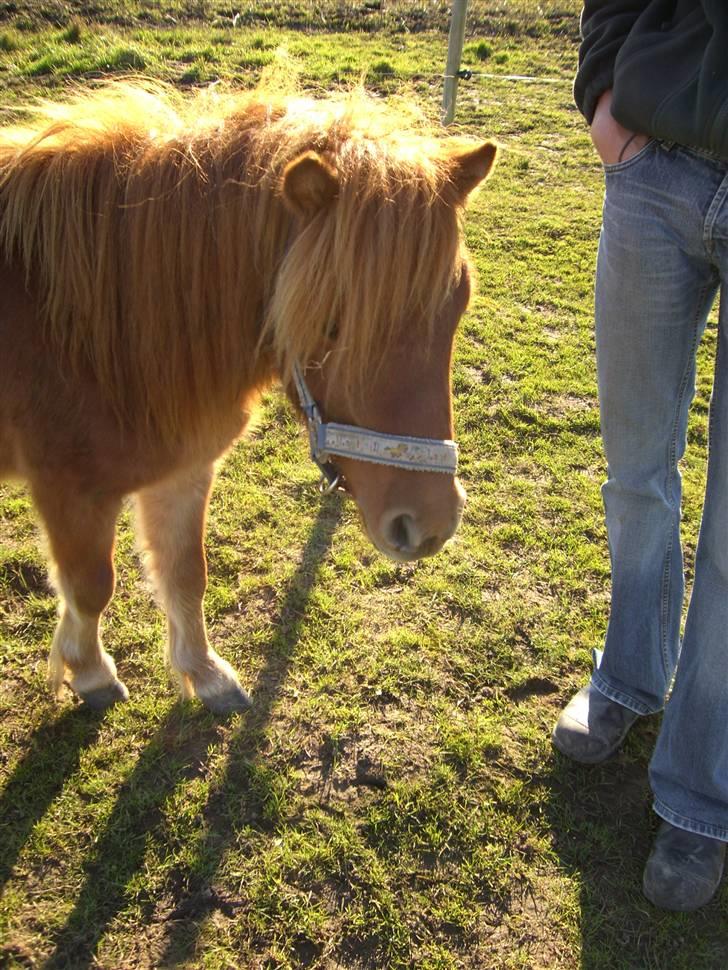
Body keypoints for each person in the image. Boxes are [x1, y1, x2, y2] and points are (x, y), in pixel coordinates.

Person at [552, 0, 728, 911]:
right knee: (634, 474)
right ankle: (630, 673)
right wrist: (605, 104)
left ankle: (701, 790)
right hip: (657, 167)